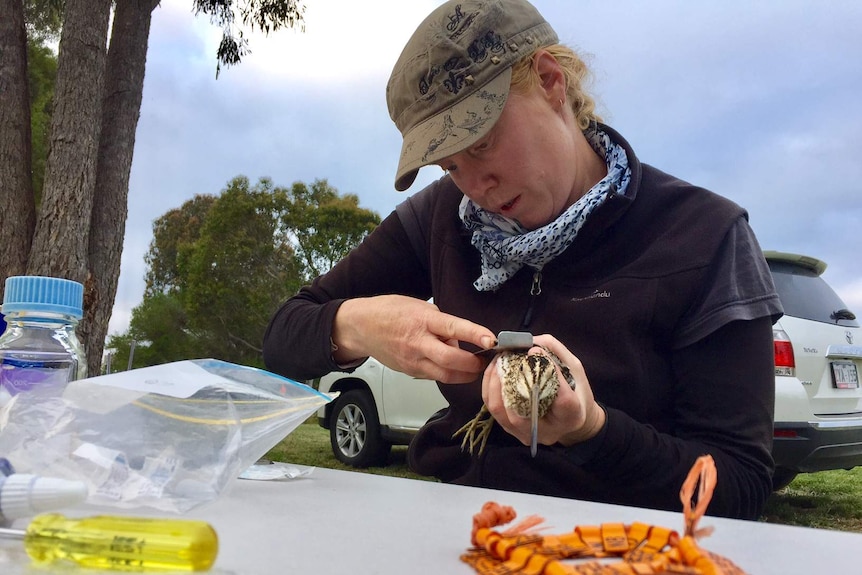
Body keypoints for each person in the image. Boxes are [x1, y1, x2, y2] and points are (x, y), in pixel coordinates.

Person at [263, 0, 783, 520]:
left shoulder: (703, 237)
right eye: (448, 164)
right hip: (458, 526)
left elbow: (739, 487)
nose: (474, 186)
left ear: (551, 81)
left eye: (483, 143)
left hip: (619, 541)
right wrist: (355, 326)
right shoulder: (441, 217)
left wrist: (592, 432)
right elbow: (284, 337)